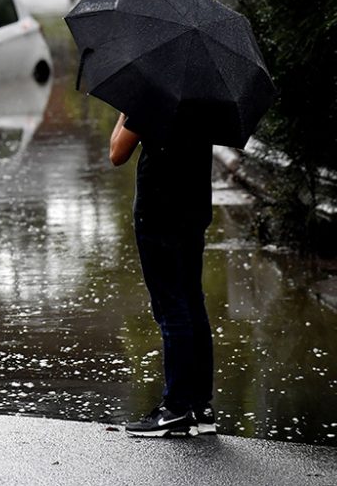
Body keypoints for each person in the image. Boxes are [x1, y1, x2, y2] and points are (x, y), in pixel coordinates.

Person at [109, 111, 216, 438]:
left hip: (159, 211)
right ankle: (201, 406)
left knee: (171, 307)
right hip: (195, 207)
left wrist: (126, 108)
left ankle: (176, 408)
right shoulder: (204, 91)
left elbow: (117, 152)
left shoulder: (152, 94)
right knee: (192, 301)